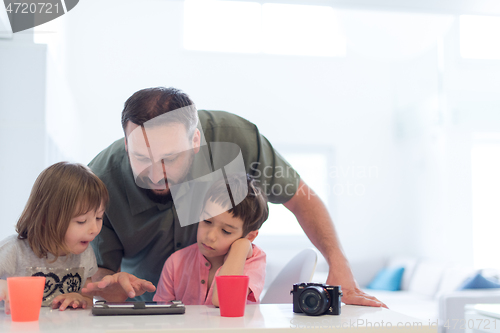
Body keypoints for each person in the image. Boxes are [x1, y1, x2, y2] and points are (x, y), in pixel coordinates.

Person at [84, 87, 386, 307]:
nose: (155, 174)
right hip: (152, 309)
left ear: (196, 140)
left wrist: (339, 263)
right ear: (126, 144)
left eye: (171, 158)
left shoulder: (235, 139)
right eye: (141, 157)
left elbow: (301, 198)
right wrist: (109, 286)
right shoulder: (99, 181)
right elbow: (103, 274)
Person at [0, 162, 109, 314]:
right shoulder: (14, 250)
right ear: (45, 219)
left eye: (98, 218)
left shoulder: (85, 252)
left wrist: (80, 298)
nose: (95, 229)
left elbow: (88, 297)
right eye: (81, 221)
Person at [153, 174, 268, 306]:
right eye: (207, 221)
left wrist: (241, 246)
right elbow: (162, 319)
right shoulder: (175, 263)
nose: (210, 236)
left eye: (226, 231)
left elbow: (224, 300)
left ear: (250, 236)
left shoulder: (253, 261)